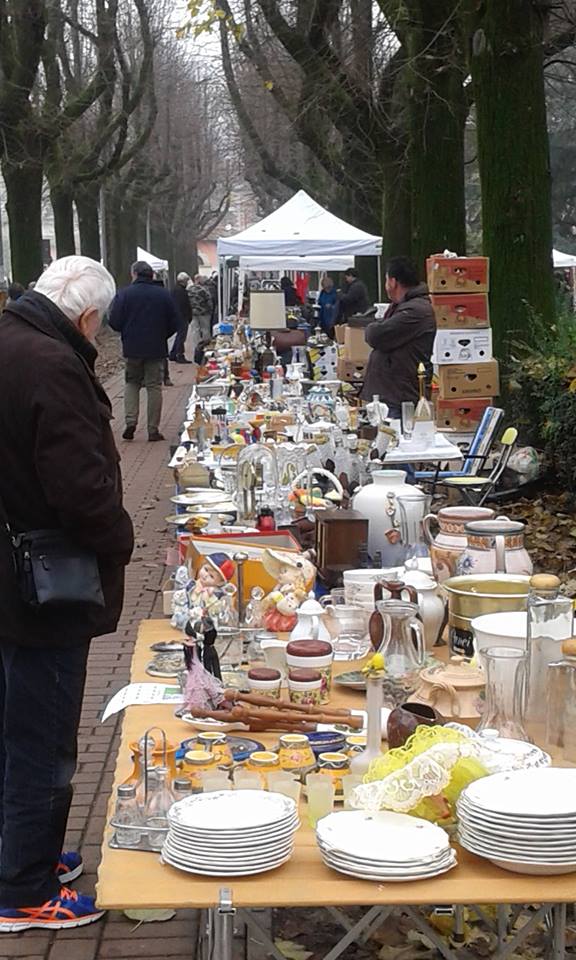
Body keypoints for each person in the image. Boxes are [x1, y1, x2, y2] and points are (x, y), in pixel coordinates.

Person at [0, 255, 134, 930]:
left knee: (16, 729)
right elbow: (80, 490)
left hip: (14, 573)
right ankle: (24, 892)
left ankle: (24, 857)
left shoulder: (10, 340)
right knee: (43, 740)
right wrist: (119, 539)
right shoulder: (52, 363)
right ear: (86, 316)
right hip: (44, 585)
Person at [109, 260, 179, 441]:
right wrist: (162, 334)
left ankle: (130, 421)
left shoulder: (124, 294)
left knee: (132, 383)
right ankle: (153, 429)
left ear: (134, 274)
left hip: (132, 347)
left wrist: (126, 331)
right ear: (152, 275)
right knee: (154, 386)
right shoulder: (163, 295)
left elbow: (114, 321)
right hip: (156, 347)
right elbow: (174, 321)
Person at [362, 256, 436, 418]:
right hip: (392, 393)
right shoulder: (403, 306)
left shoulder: (416, 311)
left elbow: (377, 335)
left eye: (386, 279)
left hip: (399, 396)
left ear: (393, 282)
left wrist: (372, 327)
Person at [169, 271, 192, 364]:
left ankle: (173, 353)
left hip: (177, 316)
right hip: (182, 317)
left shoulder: (175, 290)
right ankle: (179, 354)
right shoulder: (181, 291)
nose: (187, 283)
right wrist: (188, 316)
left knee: (179, 336)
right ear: (183, 281)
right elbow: (184, 305)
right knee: (181, 337)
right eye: (186, 281)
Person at [188, 274, 213, 340]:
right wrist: (210, 310)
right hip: (204, 312)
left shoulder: (189, 289)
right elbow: (209, 300)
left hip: (193, 313)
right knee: (205, 329)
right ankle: (205, 345)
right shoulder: (203, 289)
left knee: (195, 330)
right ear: (199, 280)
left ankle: (196, 346)